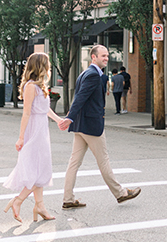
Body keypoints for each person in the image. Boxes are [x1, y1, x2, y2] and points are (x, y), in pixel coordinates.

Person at [59, 44, 141, 208]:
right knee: (103, 161)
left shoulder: (85, 73)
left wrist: (72, 118)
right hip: (90, 126)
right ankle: (121, 193)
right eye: (103, 56)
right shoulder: (93, 75)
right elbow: (80, 98)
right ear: (93, 57)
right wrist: (69, 117)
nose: (106, 58)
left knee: (74, 162)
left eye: (107, 56)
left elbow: (80, 98)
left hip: (82, 125)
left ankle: (68, 199)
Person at [3, 52, 66, 223]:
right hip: (34, 131)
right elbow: (26, 113)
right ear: (40, 66)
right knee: (35, 170)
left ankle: (40, 206)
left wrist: (60, 120)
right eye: (47, 63)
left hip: (42, 129)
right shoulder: (31, 86)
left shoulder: (40, 86)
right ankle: (18, 201)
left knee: (41, 169)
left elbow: (45, 110)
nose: (49, 67)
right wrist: (21, 137)